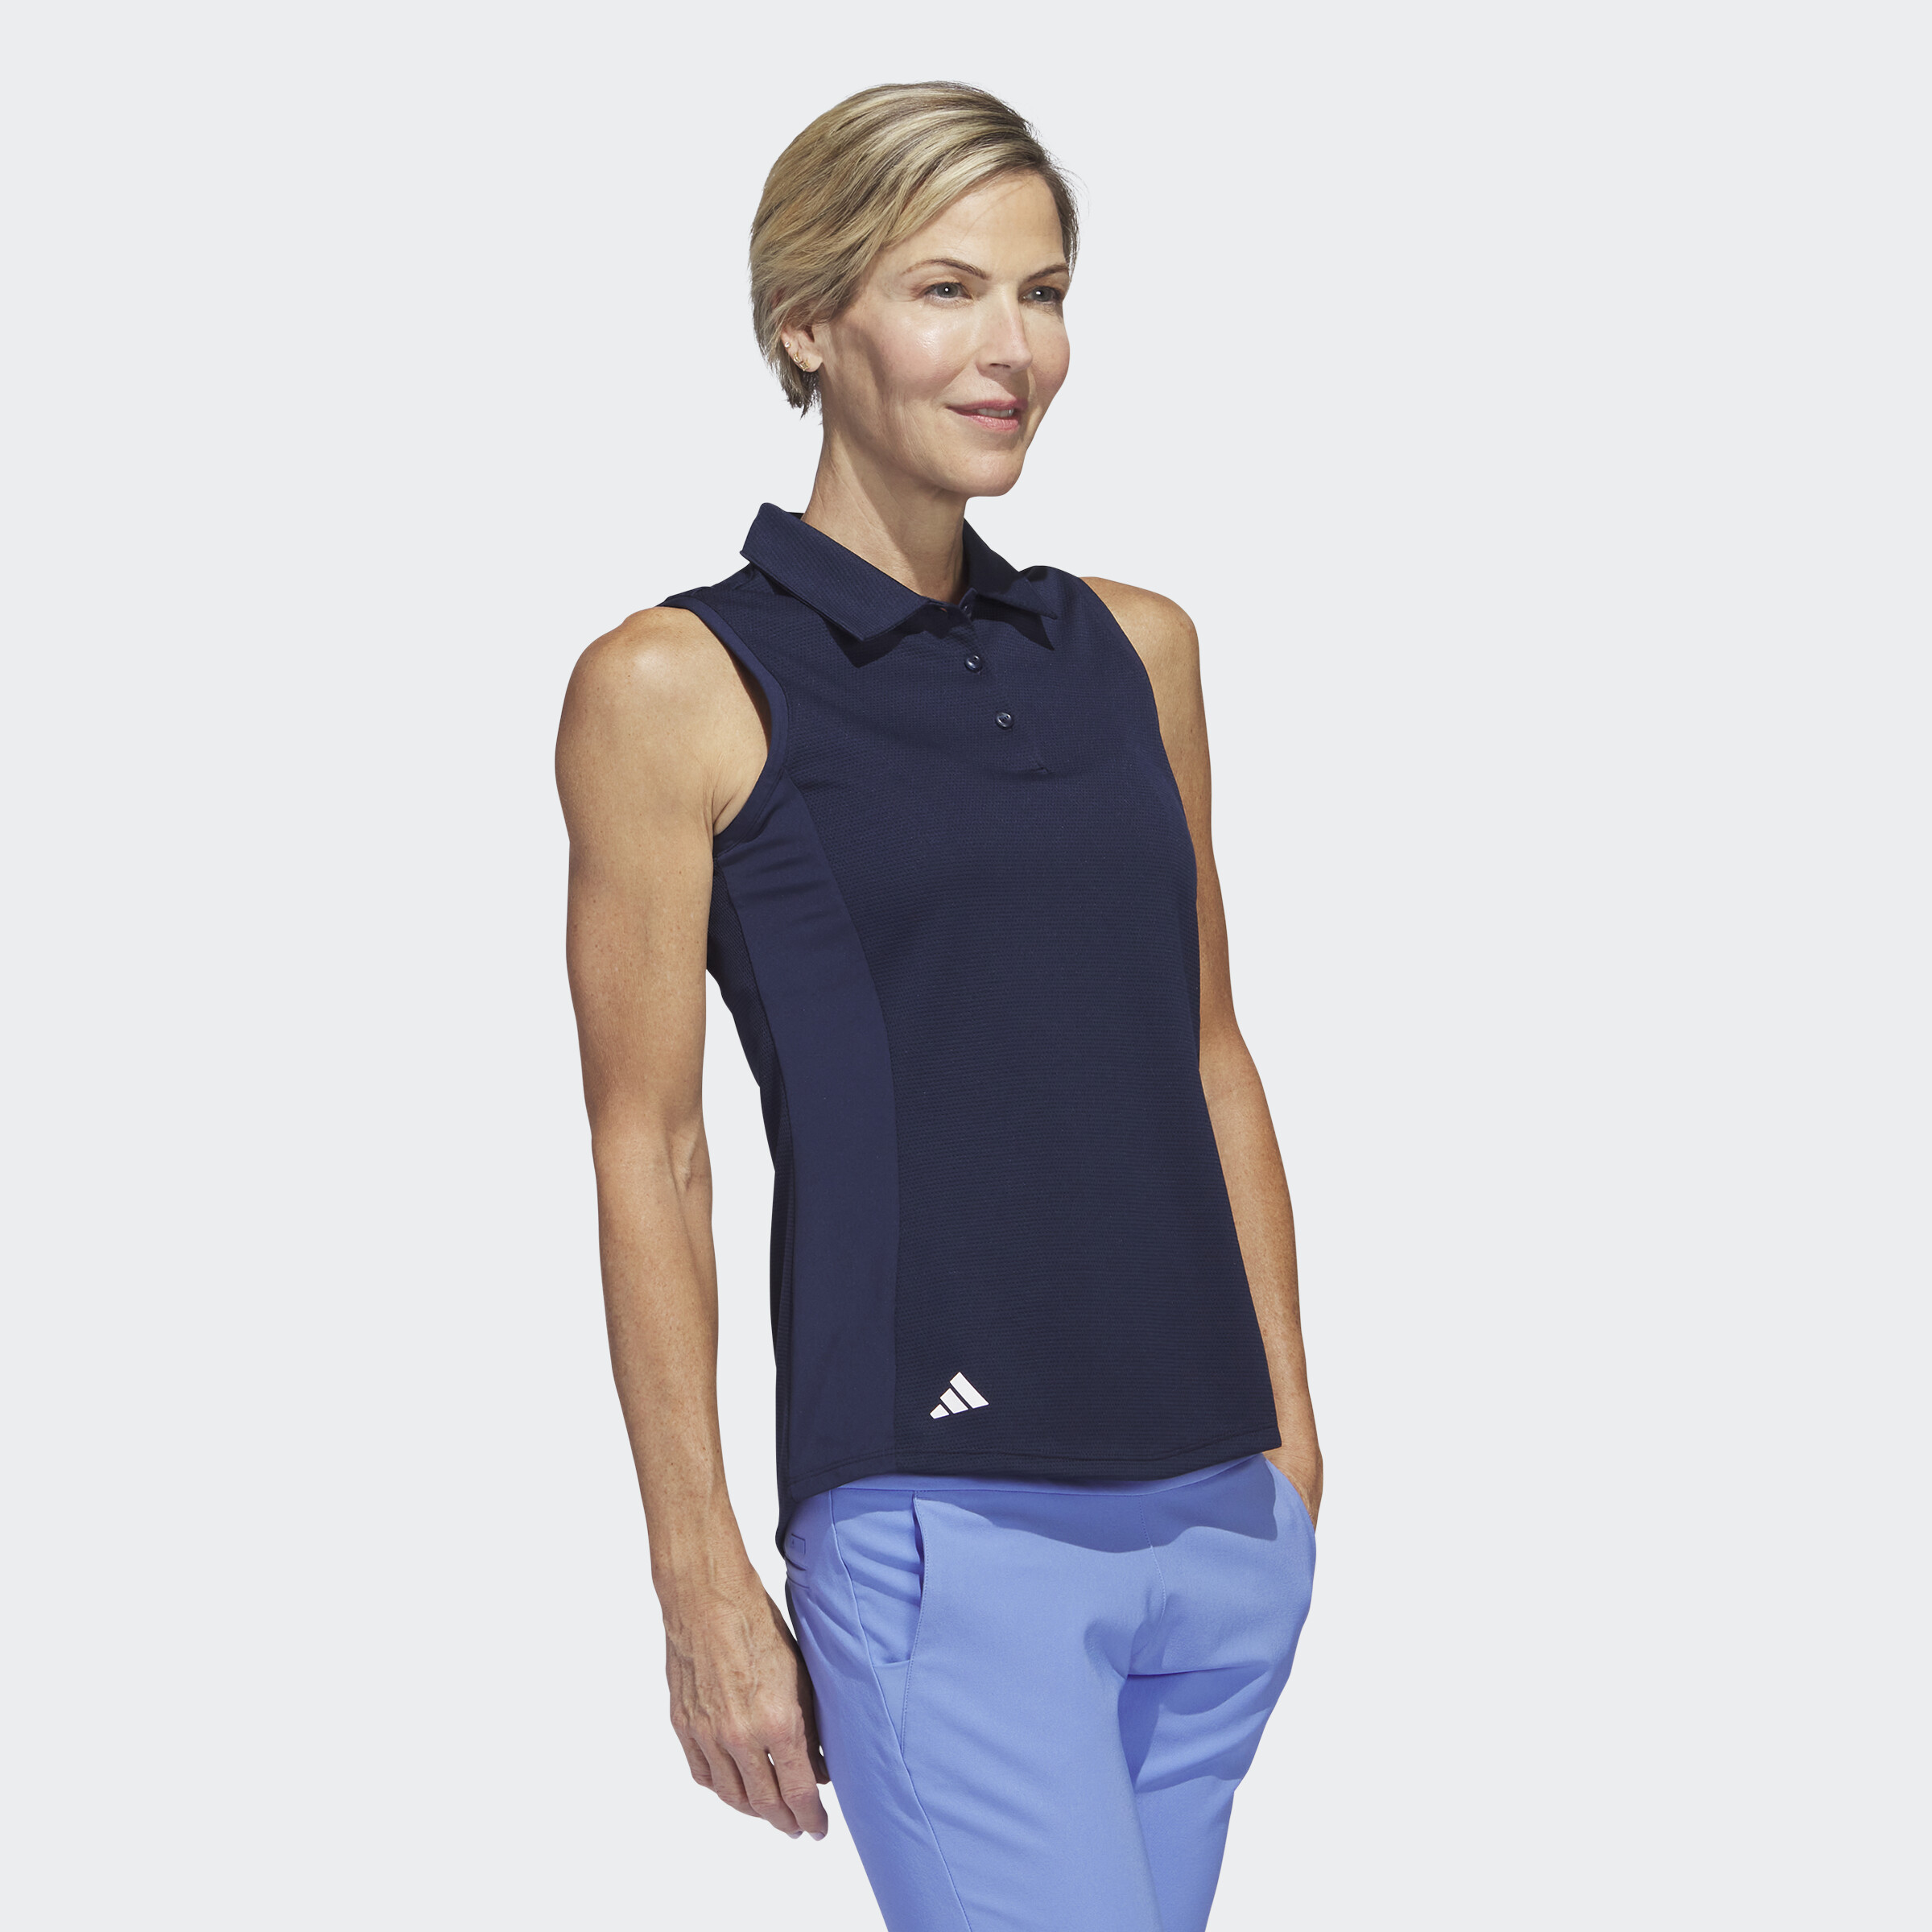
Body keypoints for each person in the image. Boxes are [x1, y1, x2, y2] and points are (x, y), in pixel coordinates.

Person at [555, 80, 1322, 1932]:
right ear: (808, 325)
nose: (1013, 350)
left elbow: (1207, 1055)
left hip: (1217, 1522)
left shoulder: (1136, 649)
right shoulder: (677, 682)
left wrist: (1293, 1445)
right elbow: (651, 1150)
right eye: (948, 289)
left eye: (1043, 294)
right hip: (945, 1525)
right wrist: (697, 1574)